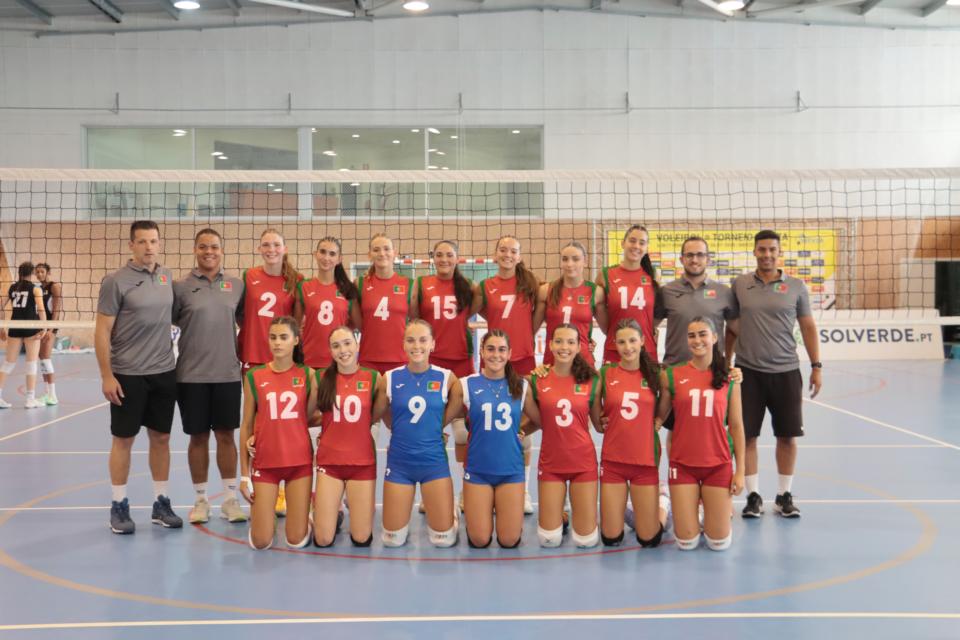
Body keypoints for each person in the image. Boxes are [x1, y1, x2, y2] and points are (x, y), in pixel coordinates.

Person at [728, 230, 822, 519]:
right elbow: (731, 327)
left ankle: (784, 496)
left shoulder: (796, 286)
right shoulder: (740, 284)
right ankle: (753, 496)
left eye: (772, 250)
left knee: (787, 436)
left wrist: (816, 366)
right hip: (747, 372)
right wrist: (725, 362)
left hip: (786, 371)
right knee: (747, 437)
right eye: (762, 249)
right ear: (754, 252)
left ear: (779, 252)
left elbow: (807, 326)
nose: (767, 254)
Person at [96, 221, 181, 535]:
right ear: (131, 245)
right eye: (142, 241)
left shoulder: (166, 276)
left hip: (163, 372)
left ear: (160, 244)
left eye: (153, 241)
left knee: (162, 439)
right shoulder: (115, 281)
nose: (149, 247)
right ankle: (119, 504)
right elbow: (102, 331)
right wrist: (107, 375)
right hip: (128, 374)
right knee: (123, 440)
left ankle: (161, 502)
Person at [172, 228, 247, 525]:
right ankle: (201, 500)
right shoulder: (180, 288)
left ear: (221, 250)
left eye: (214, 246)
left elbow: (246, 321)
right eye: (203, 247)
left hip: (227, 373)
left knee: (226, 436)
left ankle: (230, 499)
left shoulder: (237, 286)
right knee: (198, 437)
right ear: (195, 250)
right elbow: (168, 321)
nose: (209, 252)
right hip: (191, 376)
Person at [656, 317, 745, 551]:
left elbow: (737, 426)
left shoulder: (730, 377)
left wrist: (740, 472)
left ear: (714, 338)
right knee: (687, 543)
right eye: (692, 336)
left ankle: (712, 511)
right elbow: (658, 417)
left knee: (719, 543)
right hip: (683, 465)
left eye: (703, 334)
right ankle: (667, 502)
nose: (697, 340)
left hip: (718, 464)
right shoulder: (672, 375)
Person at [453, 330, 542, 548]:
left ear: (509, 353)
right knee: (479, 540)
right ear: (482, 352)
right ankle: (457, 519)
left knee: (509, 540)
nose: (496, 355)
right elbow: (442, 417)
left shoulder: (521, 386)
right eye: (490, 349)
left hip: (510, 471)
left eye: (502, 350)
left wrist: (521, 431)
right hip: (477, 470)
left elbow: (540, 420)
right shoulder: (466, 384)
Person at [237, 228, 302, 517]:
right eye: (266, 244)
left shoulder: (296, 281)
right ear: (259, 248)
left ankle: (286, 490)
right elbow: (241, 314)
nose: (271, 249)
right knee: (254, 424)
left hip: (284, 362)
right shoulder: (249, 276)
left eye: (276, 244)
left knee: (284, 422)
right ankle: (256, 482)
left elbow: (297, 322)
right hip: (253, 358)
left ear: (284, 248)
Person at [379, 320, 461, 548]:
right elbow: (382, 410)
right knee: (392, 540)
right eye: (411, 340)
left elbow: (459, 400)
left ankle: (450, 514)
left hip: (433, 463)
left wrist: (437, 426)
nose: (417, 346)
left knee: (443, 540)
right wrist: (397, 427)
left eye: (423, 340)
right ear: (403, 344)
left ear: (433, 344)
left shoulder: (446, 377)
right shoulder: (389, 378)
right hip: (400, 464)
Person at [239, 316, 317, 550]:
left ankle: (307, 518)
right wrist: (244, 476)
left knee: (296, 540)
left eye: (283, 337)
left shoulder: (308, 375)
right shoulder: (254, 376)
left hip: (298, 463)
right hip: (265, 463)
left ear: (296, 340)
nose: (277, 342)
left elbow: (310, 417)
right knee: (260, 542)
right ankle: (264, 518)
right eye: (273, 337)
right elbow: (246, 424)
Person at [476, 235, 540, 514]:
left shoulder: (530, 284)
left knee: (522, 427)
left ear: (519, 256)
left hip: (523, 360)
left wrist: (524, 337)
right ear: (495, 254)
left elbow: (538, 315)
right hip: (494, 361)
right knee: (489, 425)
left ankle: (522, 490)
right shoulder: (485, 286)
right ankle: (480, 486)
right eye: (503, 250)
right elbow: (478, 312)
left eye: (513, 251)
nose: (507, 255)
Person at [590, 319, 667, 548]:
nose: (628, 347)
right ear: (614, 344)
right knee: (610, 538)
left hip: (645, 460)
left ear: (642, 341)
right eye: (622, 342)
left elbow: (675, 394)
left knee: (649, 539)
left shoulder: (657, 373)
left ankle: (663, 504)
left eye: (632, 340)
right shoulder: (606, 373)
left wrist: (660, 418)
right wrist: (597, 420)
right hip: (614, 460)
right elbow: (591, 400)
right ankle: (628, 510)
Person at [312, 326, 387, 547]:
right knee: (323, 539)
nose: (342, 350)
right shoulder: (320, 378)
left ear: (357, 344)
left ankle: (341, 508)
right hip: (330, 463)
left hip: (362, 463)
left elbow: (379, 416)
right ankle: (329, 512)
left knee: (361, 538)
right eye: (336, 346)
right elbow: (302, 416)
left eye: (347, 343)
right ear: (330, 351)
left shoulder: (374, 378)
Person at [527, 324, 600, 548]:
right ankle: (563, 515)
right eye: (558, 341)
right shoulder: (537, 379)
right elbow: (536, 420)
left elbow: (600, 424)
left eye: (570, 342)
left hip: (583, 463)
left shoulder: (592, 380)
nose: (564, 347)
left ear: (579, 347)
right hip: (551, 464)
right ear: (550, 344)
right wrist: (517, 433)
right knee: (548, 540)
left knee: (586, 541)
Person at [419, 240, 476, 513]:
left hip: (462, 363)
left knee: (464, 432)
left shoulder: (469, 288)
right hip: (432, 364)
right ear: (433, 258)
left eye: (449, 255)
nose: (444, 259)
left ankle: (467, 490)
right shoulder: (421, 285)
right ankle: (431, 492)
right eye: (439, 254)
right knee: (431, 430)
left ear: (457, 258)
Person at [533, 241, 607, 368]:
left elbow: (608, 330)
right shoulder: (546, 291)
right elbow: (531, 330)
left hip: (583, 362)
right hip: (553, 362)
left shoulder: (596, 292)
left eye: (575, 259)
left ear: (585, 261)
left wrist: (587, 340)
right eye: (565, 259)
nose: (569, 264)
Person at [353, 233, 416, 376]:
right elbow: (359, 323)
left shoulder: (410, 284)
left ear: (395, 253)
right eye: (376, 250)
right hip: (368, 358)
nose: (382, 253)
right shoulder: (359, 283)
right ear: (369, 255)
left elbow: (414, 321)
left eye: (387, 249)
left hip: (401, 359)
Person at [296, 237, 358, 370]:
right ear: (315, 254)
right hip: (310, 360)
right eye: (323, 252)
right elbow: (295, 324)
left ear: (339, 259)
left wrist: (341, 330)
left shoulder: (347, 289)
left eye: (332, 254)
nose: (326, 257)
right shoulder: (304, 287)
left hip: (340, 361)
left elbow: (356, 324)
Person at [600, 224, 659, 364]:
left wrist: (651, 329)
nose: (636, 246)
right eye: (632, 241)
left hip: (646, 349)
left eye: (642, 243)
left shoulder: (653, 275)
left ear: (646, 248)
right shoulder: (606, 275)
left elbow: (656, 312)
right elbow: (597, 310)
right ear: (623, 243)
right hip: (615, 349)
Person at [0, 261, 48, 409]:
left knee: (8, 363)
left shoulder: (12, 287)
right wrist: (44, 327)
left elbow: (0, 306)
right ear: (32, 273)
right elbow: (41, 309)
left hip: (15, 327)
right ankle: (30, 399)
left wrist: (1, 326)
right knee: (31, 363)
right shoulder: (36, 289)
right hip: (31, 328)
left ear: (19, 273)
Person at [34, 262, 61, 405]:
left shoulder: (54, 286)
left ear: (48, 273)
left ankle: (53, 395)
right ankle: (47, 393)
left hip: (50, 326)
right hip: (40, 326)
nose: (39, 274)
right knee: (41, 357)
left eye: (42, 272)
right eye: (37, 272)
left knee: (45, 357)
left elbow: (56, 310)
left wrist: (50, 329)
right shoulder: (38, 288)